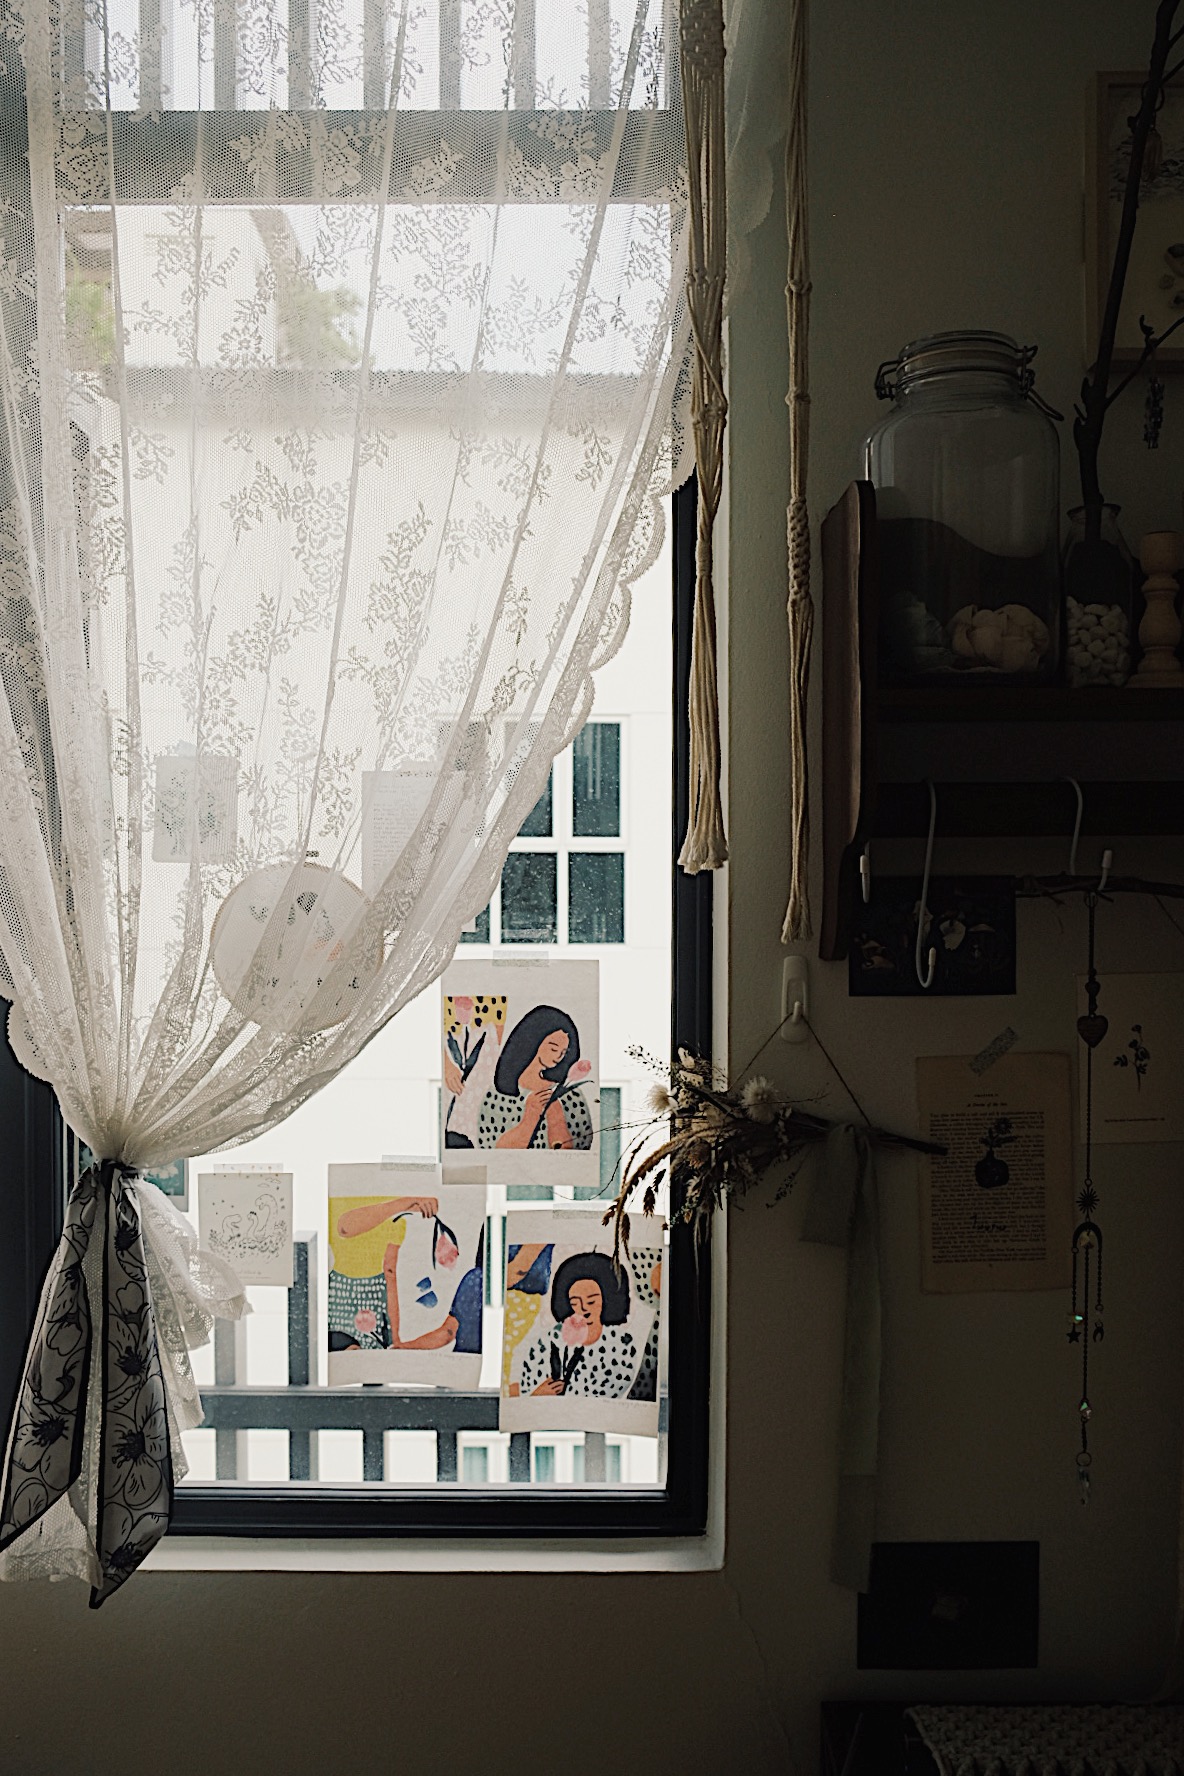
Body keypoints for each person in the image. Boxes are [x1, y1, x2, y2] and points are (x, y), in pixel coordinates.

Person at [509, 1251, 641, 1399]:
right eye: (574, 1302)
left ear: (608, 1300)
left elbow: (611, 1393)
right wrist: (538, 1394)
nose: (583, 1309)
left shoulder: (621, 1345)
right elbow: (527, 1387)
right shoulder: (548, 1341)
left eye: (591, 1302)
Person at [475, 1004, 593, 1151]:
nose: (558, 1056)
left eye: (564, 1052)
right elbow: (490, 1148)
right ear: (532, 1040)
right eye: (553, 1048)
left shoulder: (571, 1096)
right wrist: (530, 1117)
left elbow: (578, 1151)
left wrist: (556, 1115)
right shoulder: (497, 1095)